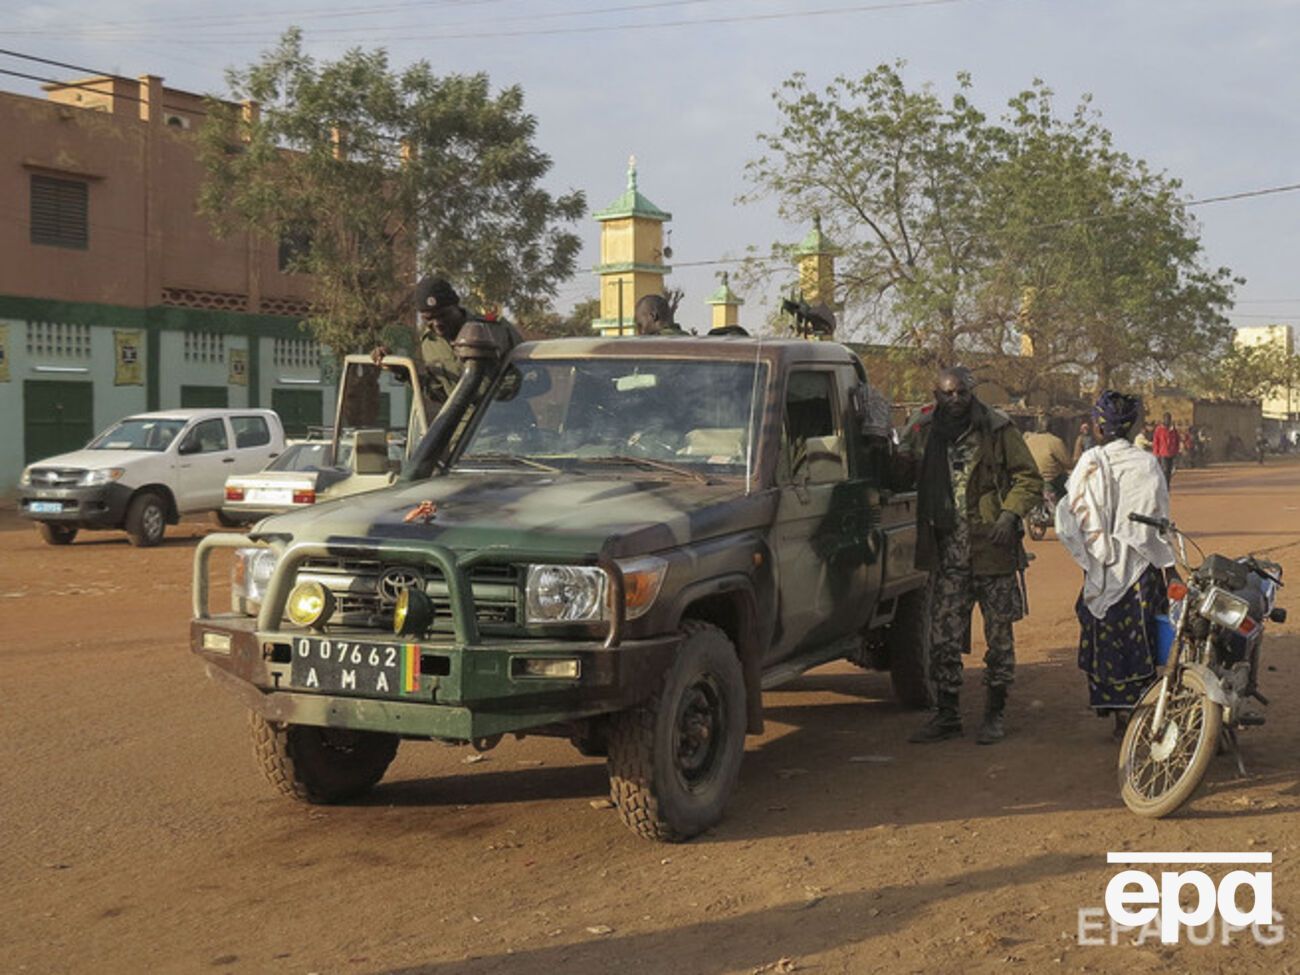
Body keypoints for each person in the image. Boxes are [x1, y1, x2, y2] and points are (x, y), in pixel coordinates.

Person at [903, 366, 1043, 745]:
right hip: (948, 556)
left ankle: (994, 714)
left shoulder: (997, 429)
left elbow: (1029, 477)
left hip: (992, 553)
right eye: (947, 394)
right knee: (943, 639)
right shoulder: (926, 431)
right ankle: (947, 715)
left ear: (972, 393)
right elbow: (901, 466)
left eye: (961, 393)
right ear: (937, 393)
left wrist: (1010, 513)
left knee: (999, 640)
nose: (955, 401)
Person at [1055, 391, 1175, 739]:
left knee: (1104, 634)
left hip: (1100, 566)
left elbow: (1071, 516)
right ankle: (1135, 712)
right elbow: (1158, 521)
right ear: (1134, 425)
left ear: (1097, 425)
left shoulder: (1089, 463)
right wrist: (1169, 568)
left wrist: (1095, 552)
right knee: (1140, 637)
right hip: (1140, 567)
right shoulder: (1147, 464)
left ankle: (1116, 710)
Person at [1023, 415, 1071, 497]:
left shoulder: (1028, 440)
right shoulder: (1055, 441)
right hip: (1049, 482)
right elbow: (1067, 463)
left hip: (1030, 480)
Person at [1152, 412, 1179, 486]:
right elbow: (1156, 441)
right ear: (1163, 419)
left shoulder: (1173, 430)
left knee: (1169, 471)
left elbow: (1177, 440)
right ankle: (1164, 485)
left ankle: (1167, 485)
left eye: (1169, 419)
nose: (1167, 420)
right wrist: (1156, 453)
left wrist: (1176, 451)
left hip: (1172, 453)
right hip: (1163, 453)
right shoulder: (1159, 429)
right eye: (1166, 419)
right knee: (1165, 470)